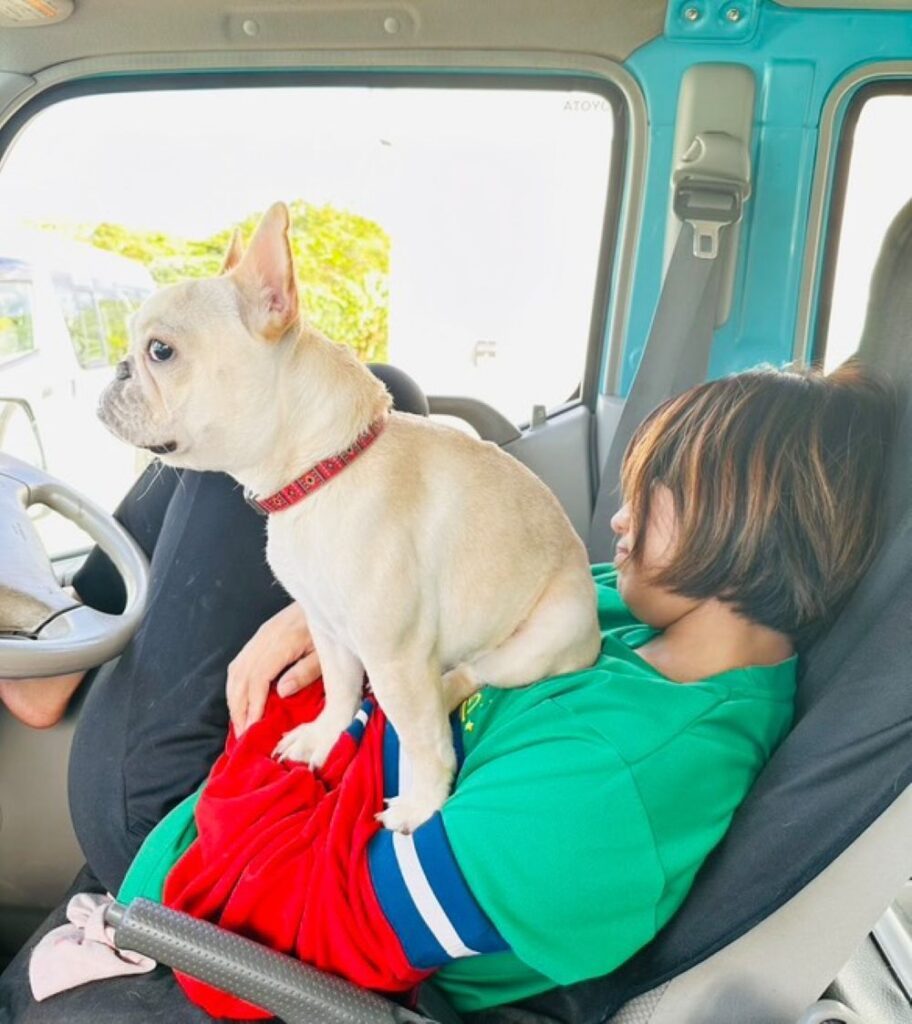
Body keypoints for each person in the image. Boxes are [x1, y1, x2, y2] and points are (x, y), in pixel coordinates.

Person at [0, 361, 893, 1023]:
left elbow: (325, 932)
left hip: (184, 859)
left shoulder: (608, 791)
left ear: (752, 521)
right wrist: (317, 613)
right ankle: (58, 625)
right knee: (371, 410)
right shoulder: (639, 614)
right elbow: (455, 587)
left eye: (656, 497)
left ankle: (39, 641)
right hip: (282, 768)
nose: (617, 519)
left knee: (258, 416)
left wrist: (271, 750)